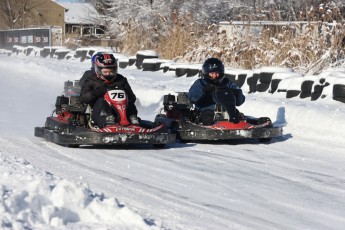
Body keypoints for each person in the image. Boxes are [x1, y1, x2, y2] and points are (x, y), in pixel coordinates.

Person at [79, 53, 139, 128]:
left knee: (128, 101)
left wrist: (122, 91)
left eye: (111, 72)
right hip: (99, 112)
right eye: (106, 72)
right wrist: (97, 92)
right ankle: (107, 119)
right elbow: (82, 98)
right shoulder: (91, 80)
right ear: (99, 71)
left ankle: (132, 119)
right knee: (101, 100)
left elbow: (132, 98)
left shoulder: (121, 80)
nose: (109, 74)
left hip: (120, 110)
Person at [187, 57, 245, 125]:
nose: (214, 76)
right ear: (206, 73)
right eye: (212, 73)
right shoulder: (200, 83)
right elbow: (192, 97)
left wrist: (237, 93)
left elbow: (240, 101)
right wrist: (204, 90)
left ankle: (243, 129)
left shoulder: (227, 83)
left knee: (238, 117)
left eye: (216, 73)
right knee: (208, 118)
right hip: (206, 111)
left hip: (228, 110)